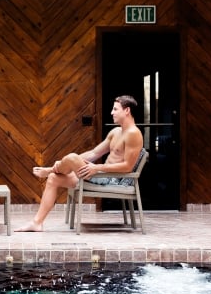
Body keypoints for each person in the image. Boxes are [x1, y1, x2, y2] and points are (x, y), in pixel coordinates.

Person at [16, 95, 144, 232]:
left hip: (113, 179)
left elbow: (128, 167)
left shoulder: (133, 134)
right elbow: (94, 153)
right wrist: (80, 163)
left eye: (115, 109)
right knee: (54, 178)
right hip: (101, 175)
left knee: (71, 158)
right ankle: (37, 223)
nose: (111, 112)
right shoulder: (116, 131)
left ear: (127, 111)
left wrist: (96, 167)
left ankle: (49, 169)